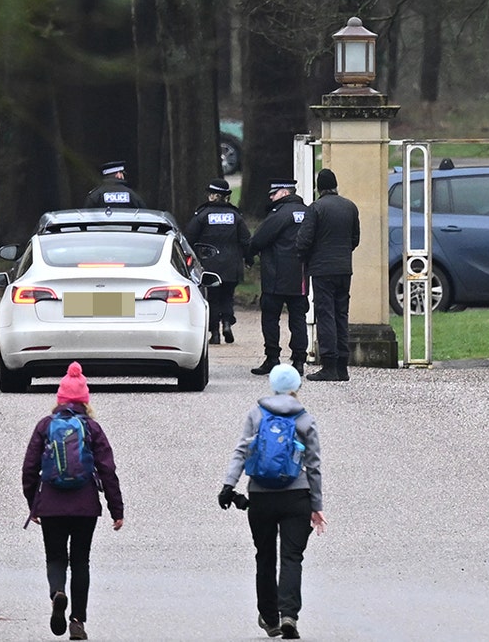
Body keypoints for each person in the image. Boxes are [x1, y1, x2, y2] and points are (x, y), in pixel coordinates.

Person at [220, 364, 326, 640]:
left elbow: (242, 450)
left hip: (261, 495)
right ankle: (289, 613)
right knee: (292, 557)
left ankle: (269, 618)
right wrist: (316, 505)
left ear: (272, 385)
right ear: (296, 387)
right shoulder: (305, 419)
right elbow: (313, 465)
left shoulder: (257, 414)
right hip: (296, 496)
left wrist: (228, 485)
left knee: (264, 557)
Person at [22, 362, 124, 640]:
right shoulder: (91, 427)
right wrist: (117, 509)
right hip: (85, 506)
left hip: (51, 506)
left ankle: (58, 593)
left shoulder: (45, 425)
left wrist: (34, 503)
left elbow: (29, 468)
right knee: (81, 561)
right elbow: (107, 469)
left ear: (60, 398)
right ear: (85, 400)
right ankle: (77, 621)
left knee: (55, 557)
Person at [295, 169, 359, 382]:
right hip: (344, 269)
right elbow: (354, 239)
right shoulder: (350, 207)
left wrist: (304, 255)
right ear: (335, 185)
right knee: (342, 315)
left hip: (322, 270)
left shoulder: (316, 208)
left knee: (326, 315)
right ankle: (343, 366)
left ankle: (329, 364)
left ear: (319, 188)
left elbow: (304, 240)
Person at [248, 178, 309, 376]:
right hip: (300, 277)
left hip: (276, 276)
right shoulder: (307, 212)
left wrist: (250, 253)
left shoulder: (280, 214)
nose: (271, 198)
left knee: (271, 317)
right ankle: (299, 360)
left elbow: (258, 239)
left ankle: (272, 358)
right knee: (298, 319)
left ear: (284, 193)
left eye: (273, 194)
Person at [184, 178, 252, 345]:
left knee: (212, 298)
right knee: (228, 297)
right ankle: (227, 323)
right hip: (231, 264)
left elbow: (189, 238)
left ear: (214, 196)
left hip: (210, 264)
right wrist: (248, 259)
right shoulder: (235, 216)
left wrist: (188, 260)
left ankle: (215, 333)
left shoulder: (202, 215)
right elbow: (245, 240)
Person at [83, 160, 147, 209]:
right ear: (118, 175)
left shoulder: (96, 194)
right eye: (122, 173)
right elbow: (143, 213)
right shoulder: (131, 194)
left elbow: (87, 215)